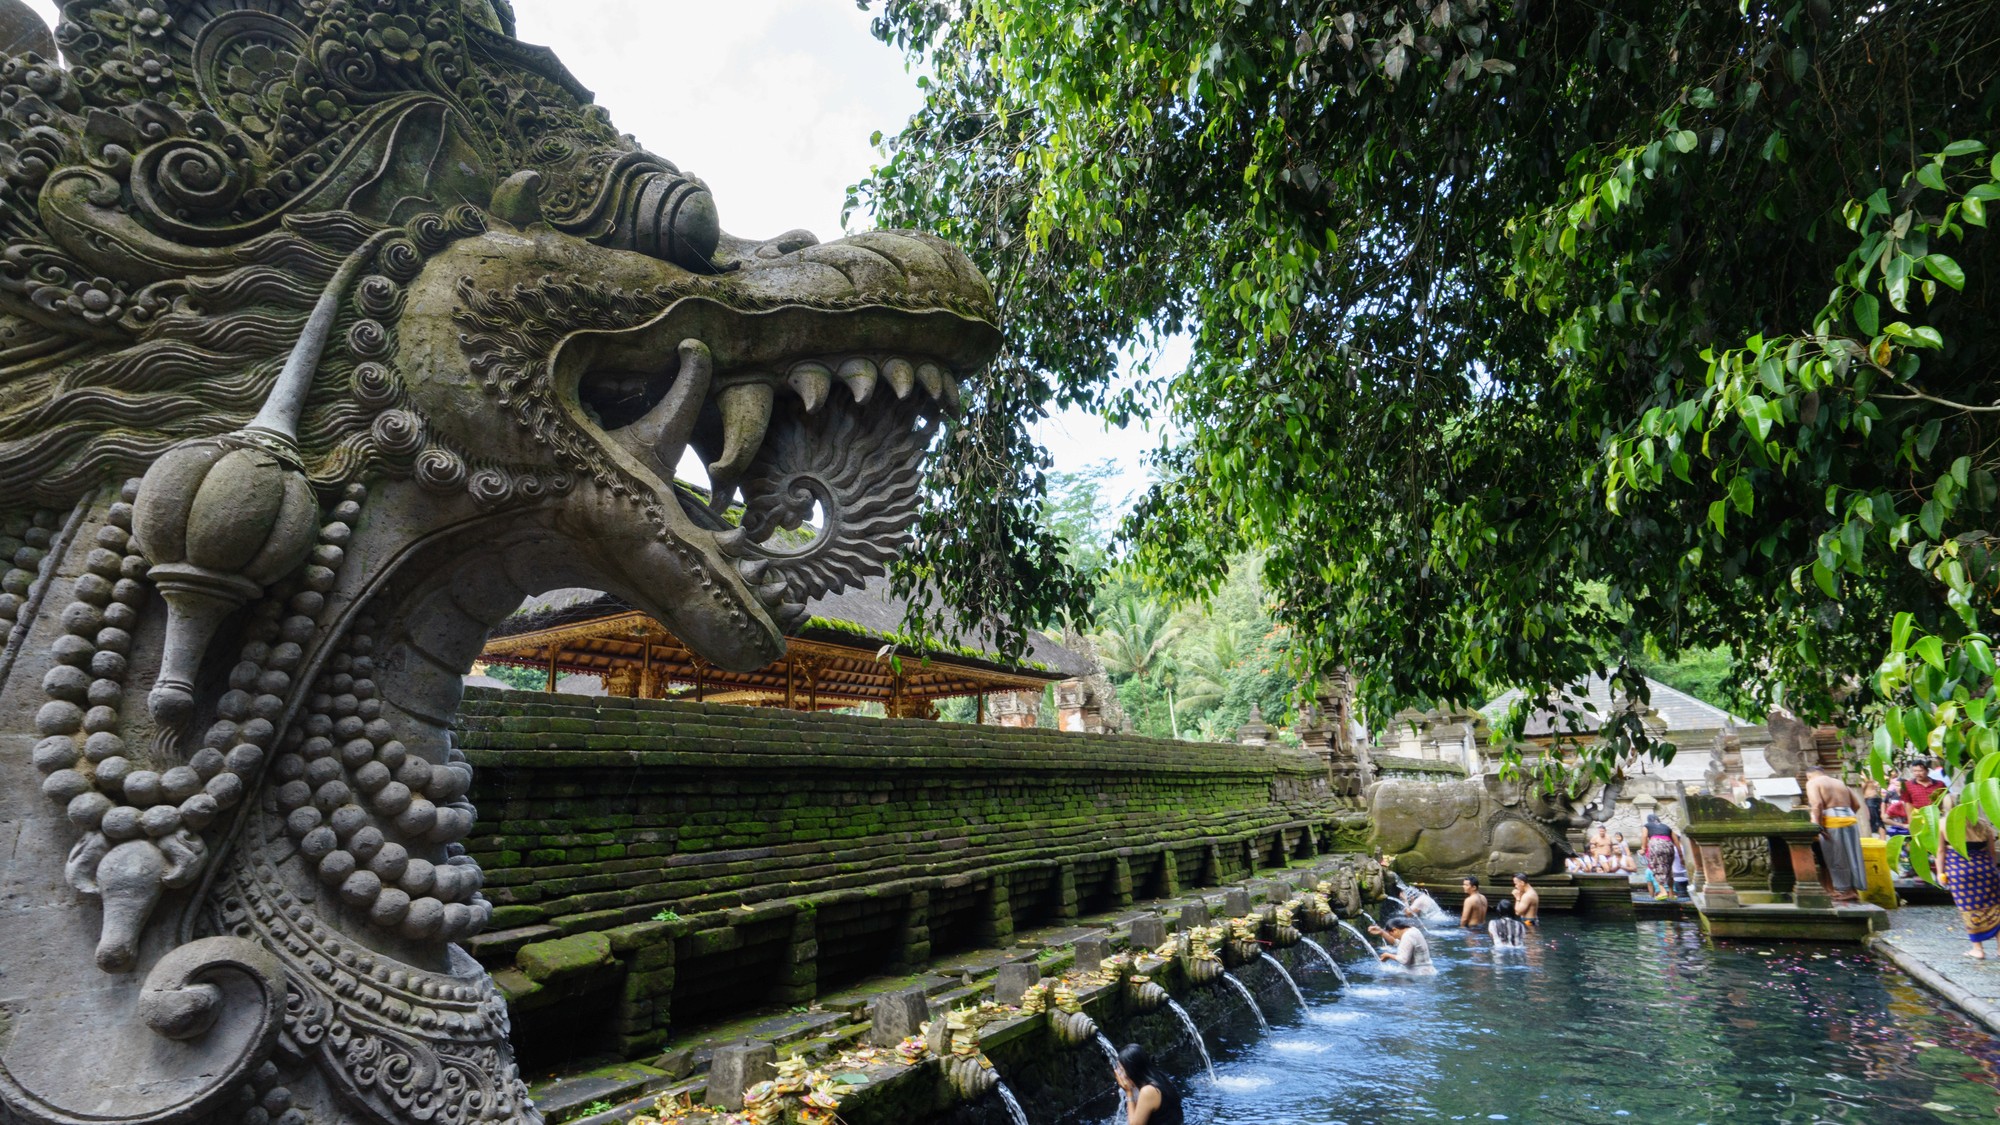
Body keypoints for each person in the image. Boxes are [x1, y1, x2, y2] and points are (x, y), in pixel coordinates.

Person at [1932, 797, 2000, 960]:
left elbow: (1940, 851)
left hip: (1960, 871)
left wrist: (1940, 873)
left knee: (1969, 909)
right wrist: (1990, 869)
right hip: (1986, 869)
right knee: (1995, 908)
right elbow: (1992, 852)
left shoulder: (1943, 824)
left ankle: (1978, 949)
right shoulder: (1983, 824)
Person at [1805, 765, 1865, 905]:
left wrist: (1818, 826)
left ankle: (1844, 891)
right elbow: (1856, 804)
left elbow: (1817, 804)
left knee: (1836, 857)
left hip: (1832, 821)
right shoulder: (1839, 782)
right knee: (1852, 856)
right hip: (1849, 819)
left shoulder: (1813, 783)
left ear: (1809, 775)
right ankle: (1854, 890)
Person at [1113, 1043, 1184, 1125]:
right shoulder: (1159, 1076)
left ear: (1132, 1071)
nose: (1119, 1074)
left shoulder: (1148, 1091)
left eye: (1121, 1070)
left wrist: (1129, 1092)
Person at [1370, 914, 1435, 975]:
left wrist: (1388, 955)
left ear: (1395, 930)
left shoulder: (1407, 936)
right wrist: (1381, 932)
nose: (1393, 937)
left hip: (1418, 974)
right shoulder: (1413, 930)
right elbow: (1396, 942)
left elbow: (1404, 960)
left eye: (1391, 934)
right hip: (1428, 971)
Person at [1642, 814, 1679, 901]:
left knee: (1655, 867)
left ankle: (1662, 891)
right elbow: (1676, 840)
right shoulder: (1666, 827)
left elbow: (1644, 836)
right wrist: (1680, 855)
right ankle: (1671, 893)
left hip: (1656, 845)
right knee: (1669, 869)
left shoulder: (1647, 826)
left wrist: (1643, 848)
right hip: (1669, 845)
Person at [1860, 774, 1884, 838]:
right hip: (1873, 799)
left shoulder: (1866, 781)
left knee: (1876, 820)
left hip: (1871, 800)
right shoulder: (1868, 783)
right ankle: (1882, 839)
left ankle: (1882, 839)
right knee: (1878, 821)